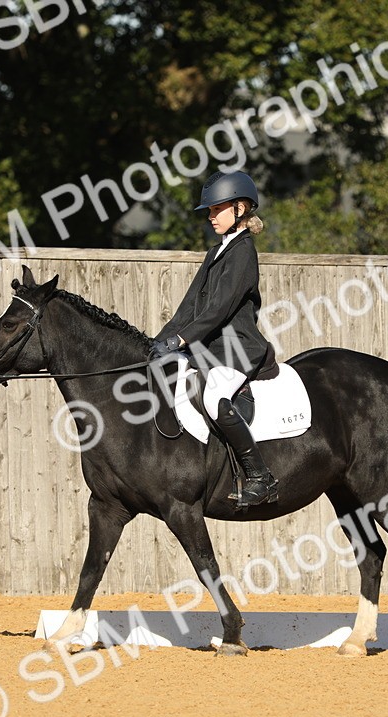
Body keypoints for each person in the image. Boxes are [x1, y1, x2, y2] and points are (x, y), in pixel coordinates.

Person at [149, 170, 279, 507]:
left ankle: (260, 476)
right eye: (209, 210)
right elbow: (190, 306)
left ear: (240, 208)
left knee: (213, 397)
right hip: (210, 349)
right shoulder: (216, 251)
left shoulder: (243, 252)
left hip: (238, 349)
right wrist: (157, 341)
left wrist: (180, 341)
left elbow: (219, 309)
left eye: (215, 209)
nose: (210, 216)